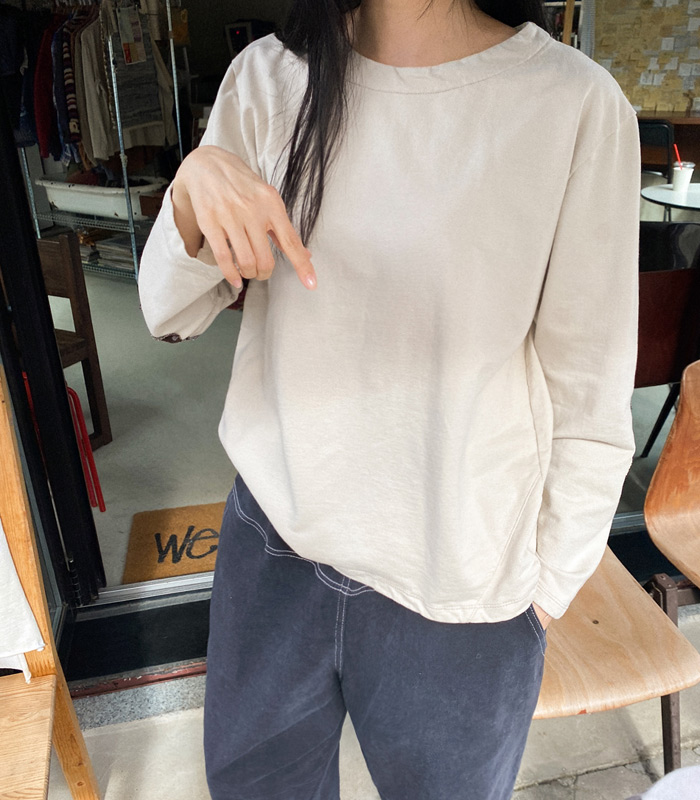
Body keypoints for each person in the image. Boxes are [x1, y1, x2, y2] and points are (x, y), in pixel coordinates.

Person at [137, 0, 641, 797]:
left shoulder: (572, 103)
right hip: (275, 545)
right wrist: (193, 190)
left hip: (459, 582)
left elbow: (590, 388)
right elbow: (167, 310)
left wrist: (544, 593)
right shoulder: (268, 78)